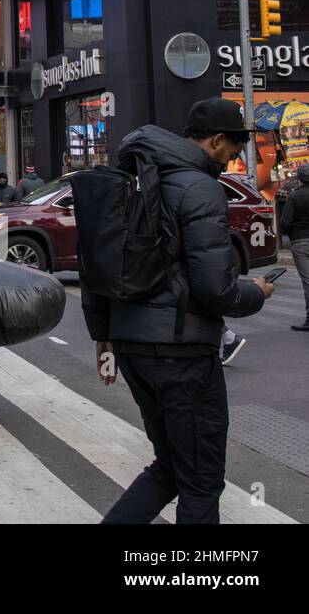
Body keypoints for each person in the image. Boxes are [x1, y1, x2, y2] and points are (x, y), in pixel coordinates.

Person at [85, 98, 273, 524]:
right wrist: (256, 293)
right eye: (236, 146)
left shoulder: (129, 176)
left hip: (133, 348)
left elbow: (95, 264)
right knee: (201, 479)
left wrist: (105, 337)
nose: (237, 155)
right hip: (183, 353)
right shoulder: (200, 187)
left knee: (170, 465)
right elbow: (214, 289)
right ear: (216, 140)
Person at [285, 163, 309, 332]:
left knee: (308, 281)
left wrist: (289, 232)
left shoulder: (294, 196)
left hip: (300, 240)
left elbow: (286, 221)